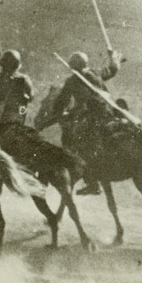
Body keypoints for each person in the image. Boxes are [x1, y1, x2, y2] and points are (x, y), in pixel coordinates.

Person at [55, 46, 123, 194]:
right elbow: (113, 69)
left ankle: (92, 183)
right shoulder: (96, 72)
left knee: (79, 145)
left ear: (73, 66)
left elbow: (61, 102)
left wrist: (61, 113)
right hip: (109, 113)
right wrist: (113, 56)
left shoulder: (72, 80)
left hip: (92, 116)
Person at [0, 49, 34, 134]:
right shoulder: (25, 80)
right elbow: (31, 98)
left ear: (1, 63)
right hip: (14, 122)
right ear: (17, 65)